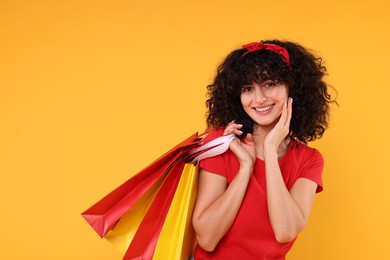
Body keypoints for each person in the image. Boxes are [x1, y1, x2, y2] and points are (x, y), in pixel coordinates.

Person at [192, 40, 335, 259]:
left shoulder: (309, 160)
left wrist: (269, 150)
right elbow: (207, 239)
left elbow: (285, 231)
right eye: (248, 88)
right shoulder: (222, 143)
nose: (259, 99)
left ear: (292, 88)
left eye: (269, 84)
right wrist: (245, 168)